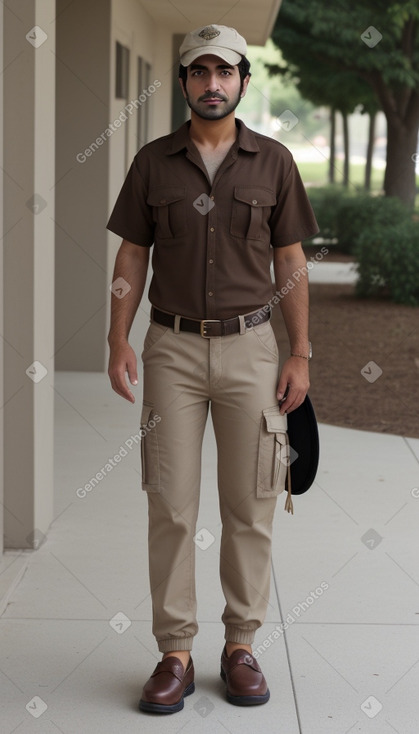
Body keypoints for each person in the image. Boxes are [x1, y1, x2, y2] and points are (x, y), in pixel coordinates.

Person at [106, 23, 319, 714]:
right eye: (198, 72)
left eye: (222, 72)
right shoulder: (151, 162)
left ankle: (240, 647)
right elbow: (131, 258)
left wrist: (299, 352)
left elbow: (289, 262)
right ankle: (173, 651)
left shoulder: (274, 162)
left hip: (251, 349)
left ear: (242, 82)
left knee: (251, 503)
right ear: (184, 83)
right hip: (169, 348)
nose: (211, 83)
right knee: (168, 500)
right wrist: (118, 339)